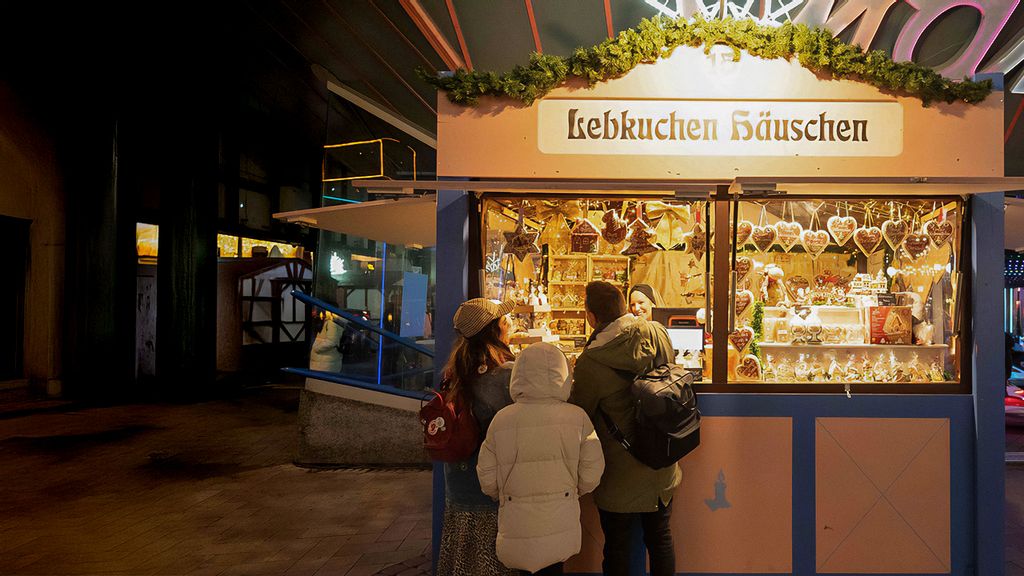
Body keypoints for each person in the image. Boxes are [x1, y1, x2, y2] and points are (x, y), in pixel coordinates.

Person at [570, 281, 681, 576]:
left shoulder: (590, 363)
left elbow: (579, 413)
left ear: (591, 317)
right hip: (661, 458)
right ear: (624, 307)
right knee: (661, 539)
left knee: (617, 547)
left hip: (618, 470)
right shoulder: (657, 333)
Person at [477, 342, 605, 576]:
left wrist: (502, 495)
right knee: (555, 567)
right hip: (560, 516)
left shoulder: (502, 419)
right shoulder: (577, 417)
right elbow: (593, 469)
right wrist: (575, 491)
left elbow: (486, 474)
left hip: (516, 518)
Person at [436, 298, 520, 576]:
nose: (509, 325)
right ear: (496, 330)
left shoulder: (454, 371)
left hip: (458, 483)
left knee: (463, 559)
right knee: (491, 562)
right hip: (491, 487)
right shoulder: (505, 375)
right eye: (505, 321)